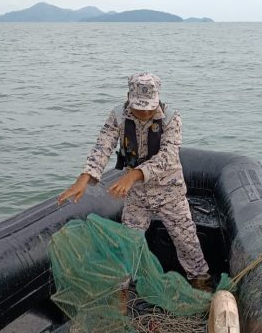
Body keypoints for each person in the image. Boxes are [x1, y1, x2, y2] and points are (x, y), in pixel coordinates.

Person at [58, 72, 212, 291]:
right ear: (129, 97)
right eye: (140, 106)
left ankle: (200, 280)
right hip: (137, 194)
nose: (145, 112)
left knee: (186, 239)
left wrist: (133, 175)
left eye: (149, 107)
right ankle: (124, 288)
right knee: (129, 240)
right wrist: (84, 178)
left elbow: (168, 157)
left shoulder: (171, 118)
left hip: (169, 189)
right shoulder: (118, 116)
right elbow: (103, 147)